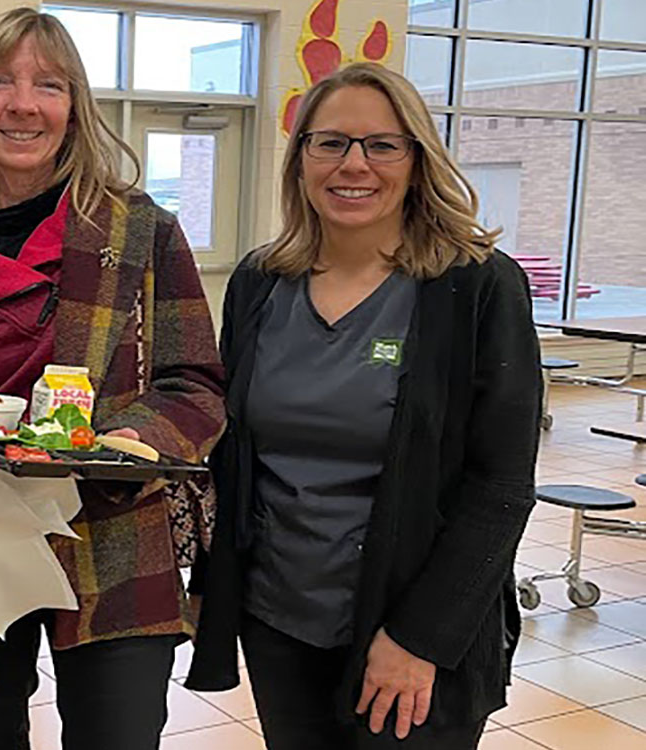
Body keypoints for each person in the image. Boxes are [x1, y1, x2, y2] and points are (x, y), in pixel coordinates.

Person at [0, 8, 225, 750]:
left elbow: (194, 384)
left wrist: (129, 440)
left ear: (73, 107)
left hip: (113, 534)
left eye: (48, 84)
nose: (23, 103)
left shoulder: (139, 230)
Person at [185, 63, 541, 749]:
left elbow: (500, 486)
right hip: (280, 616)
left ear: (416, 159)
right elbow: (236, 459)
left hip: (412, 623)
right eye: (331, 143)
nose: (355, 165)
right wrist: (215, 582)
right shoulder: (261, 282)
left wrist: (421, 638)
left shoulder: (475, 286)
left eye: (382, 144)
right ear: (301, 159)